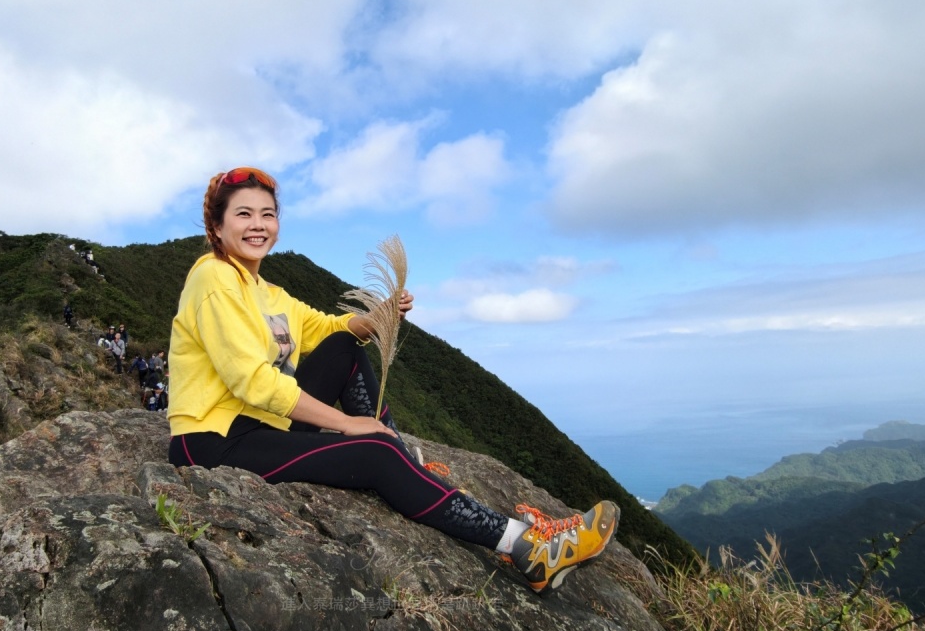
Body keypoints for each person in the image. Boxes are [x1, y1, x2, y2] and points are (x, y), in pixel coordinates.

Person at [166, 166, 619, 594]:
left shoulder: (266, 291)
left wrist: (379, 317)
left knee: (345, 349)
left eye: (268, 214)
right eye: (243, 214)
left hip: (261, 426)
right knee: (375, 451)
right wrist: (349, 424)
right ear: (217, 226)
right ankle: (529, 549)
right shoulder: (213, 277)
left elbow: (326, 330)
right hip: (214, 440)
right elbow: (254, 382)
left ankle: (401, 459)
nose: (257, 224)